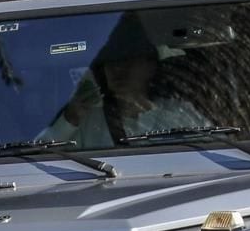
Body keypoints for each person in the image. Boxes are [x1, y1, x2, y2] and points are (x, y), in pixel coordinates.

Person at [40, 14, 210, 148]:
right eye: (110, 62)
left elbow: (214, 150)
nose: (117, 69)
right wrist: (70, 119)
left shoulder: (179, 114)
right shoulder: (89, 121)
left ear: (150, 65)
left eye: (127, 60)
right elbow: (42, 159)